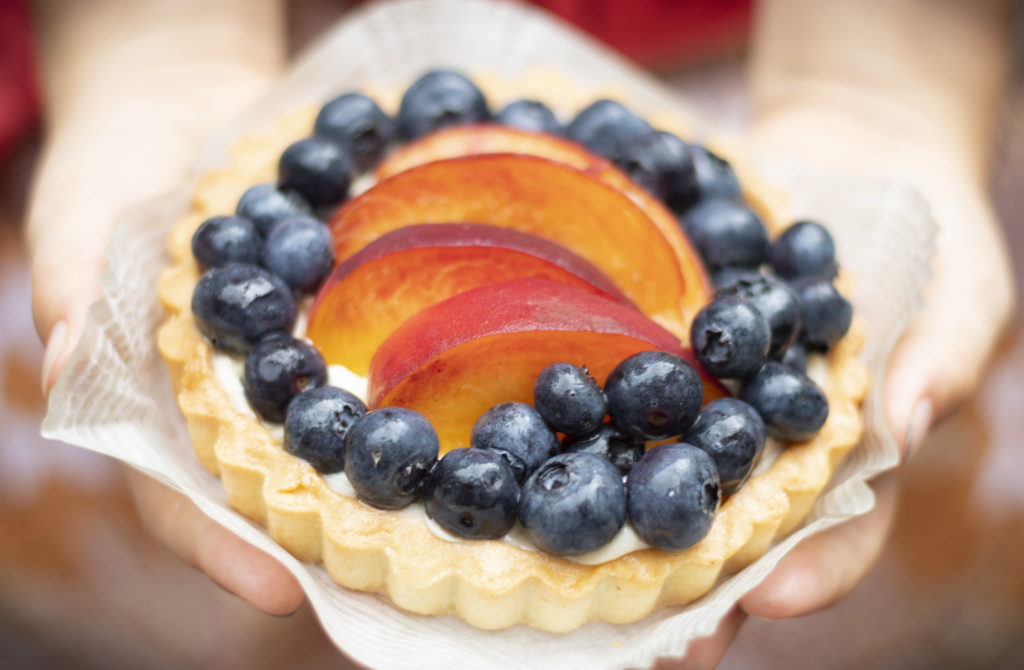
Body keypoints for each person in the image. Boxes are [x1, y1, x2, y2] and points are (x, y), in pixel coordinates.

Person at [25, 0, 1015, 667]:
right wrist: (154, 45)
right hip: (282, 80)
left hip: (738, 111)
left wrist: (884, 85)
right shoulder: (305, 270)